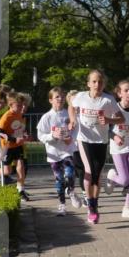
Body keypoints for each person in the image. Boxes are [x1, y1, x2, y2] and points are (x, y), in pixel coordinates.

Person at [68, 69, 124, 224]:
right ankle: (90, 204)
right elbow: (71, 106)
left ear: (104, 84)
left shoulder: (108, 100)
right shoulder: (81, 97)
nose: (97, 84)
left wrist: (108, 120)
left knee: (97, 174)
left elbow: (121, 118)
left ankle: (94, 202)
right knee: (89, 170)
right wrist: (73, 119)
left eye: (100, 82)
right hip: (84, 139)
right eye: (94, 81)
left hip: (101, 141)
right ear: (88, 83)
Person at [104, 79, 129, 220]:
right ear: (119, 93)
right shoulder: (114, 109)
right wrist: (114, 137)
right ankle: (112, 177)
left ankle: (127, 208)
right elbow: (106, 129)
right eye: (126, 90)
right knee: (124, 179)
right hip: (118, 148)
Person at [37, 87, 81, 215]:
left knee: (70, 173)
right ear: (51, 100)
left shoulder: (69, 114)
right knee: (59, 179)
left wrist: (71, 138)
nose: (60, 99)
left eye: (62, 96)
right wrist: (52, 136)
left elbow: (75, 130)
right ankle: (62, 205)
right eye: (57, 97)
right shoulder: (47, 117)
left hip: (67, 151)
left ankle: (71, 191)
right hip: (53, 154)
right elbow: (40, 135)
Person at [0, 92, 32, 200]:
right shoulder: (6, 116)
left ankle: (20, 190)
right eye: (19, 105)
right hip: (7, 147)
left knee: (21, 166)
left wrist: (25, 135)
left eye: (22, 105)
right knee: (7, 171)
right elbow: (0, 132)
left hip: (18, 146)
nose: (22, 107)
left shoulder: (20, 114)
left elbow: (20, 128)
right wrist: (13, 139)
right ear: (11, 105)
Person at [66, 89, 88, 209]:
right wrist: (68, 127)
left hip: (86, 145)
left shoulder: (85, 114)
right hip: (74, 148)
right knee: (81, 171)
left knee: (84, 172)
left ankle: (71, 188)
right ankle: (85, 196)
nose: (76, 104)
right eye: (73, 101)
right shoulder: (67, 116)